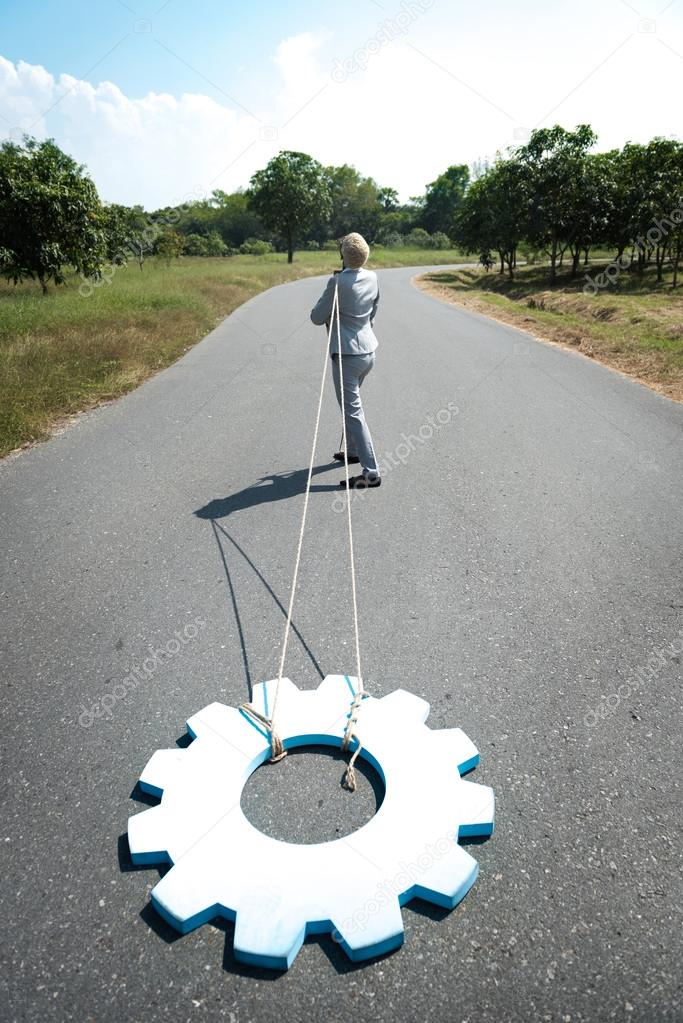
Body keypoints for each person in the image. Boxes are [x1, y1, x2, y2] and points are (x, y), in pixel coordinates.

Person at [310, 232, 381, 489]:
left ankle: (371, 472)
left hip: (347, 356)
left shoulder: (337, 282)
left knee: (353, 412)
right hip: (368, 352)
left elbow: (317, 317)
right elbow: (373, 310)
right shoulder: (372, 277)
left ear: (343, 256)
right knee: (353, 408)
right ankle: (352, 450)